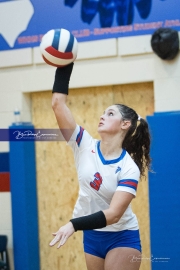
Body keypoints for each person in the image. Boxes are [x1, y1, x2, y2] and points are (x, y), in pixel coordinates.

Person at [49, 63, 151, 270]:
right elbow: (57, 104)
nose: (103, 116)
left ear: (125, 125)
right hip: (92, 236)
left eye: (111, 113)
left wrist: (73, 224)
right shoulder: (83, 144)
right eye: (103, 113)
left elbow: (114, 214)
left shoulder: (128, 167)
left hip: (121, 236)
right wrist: (65, 63)